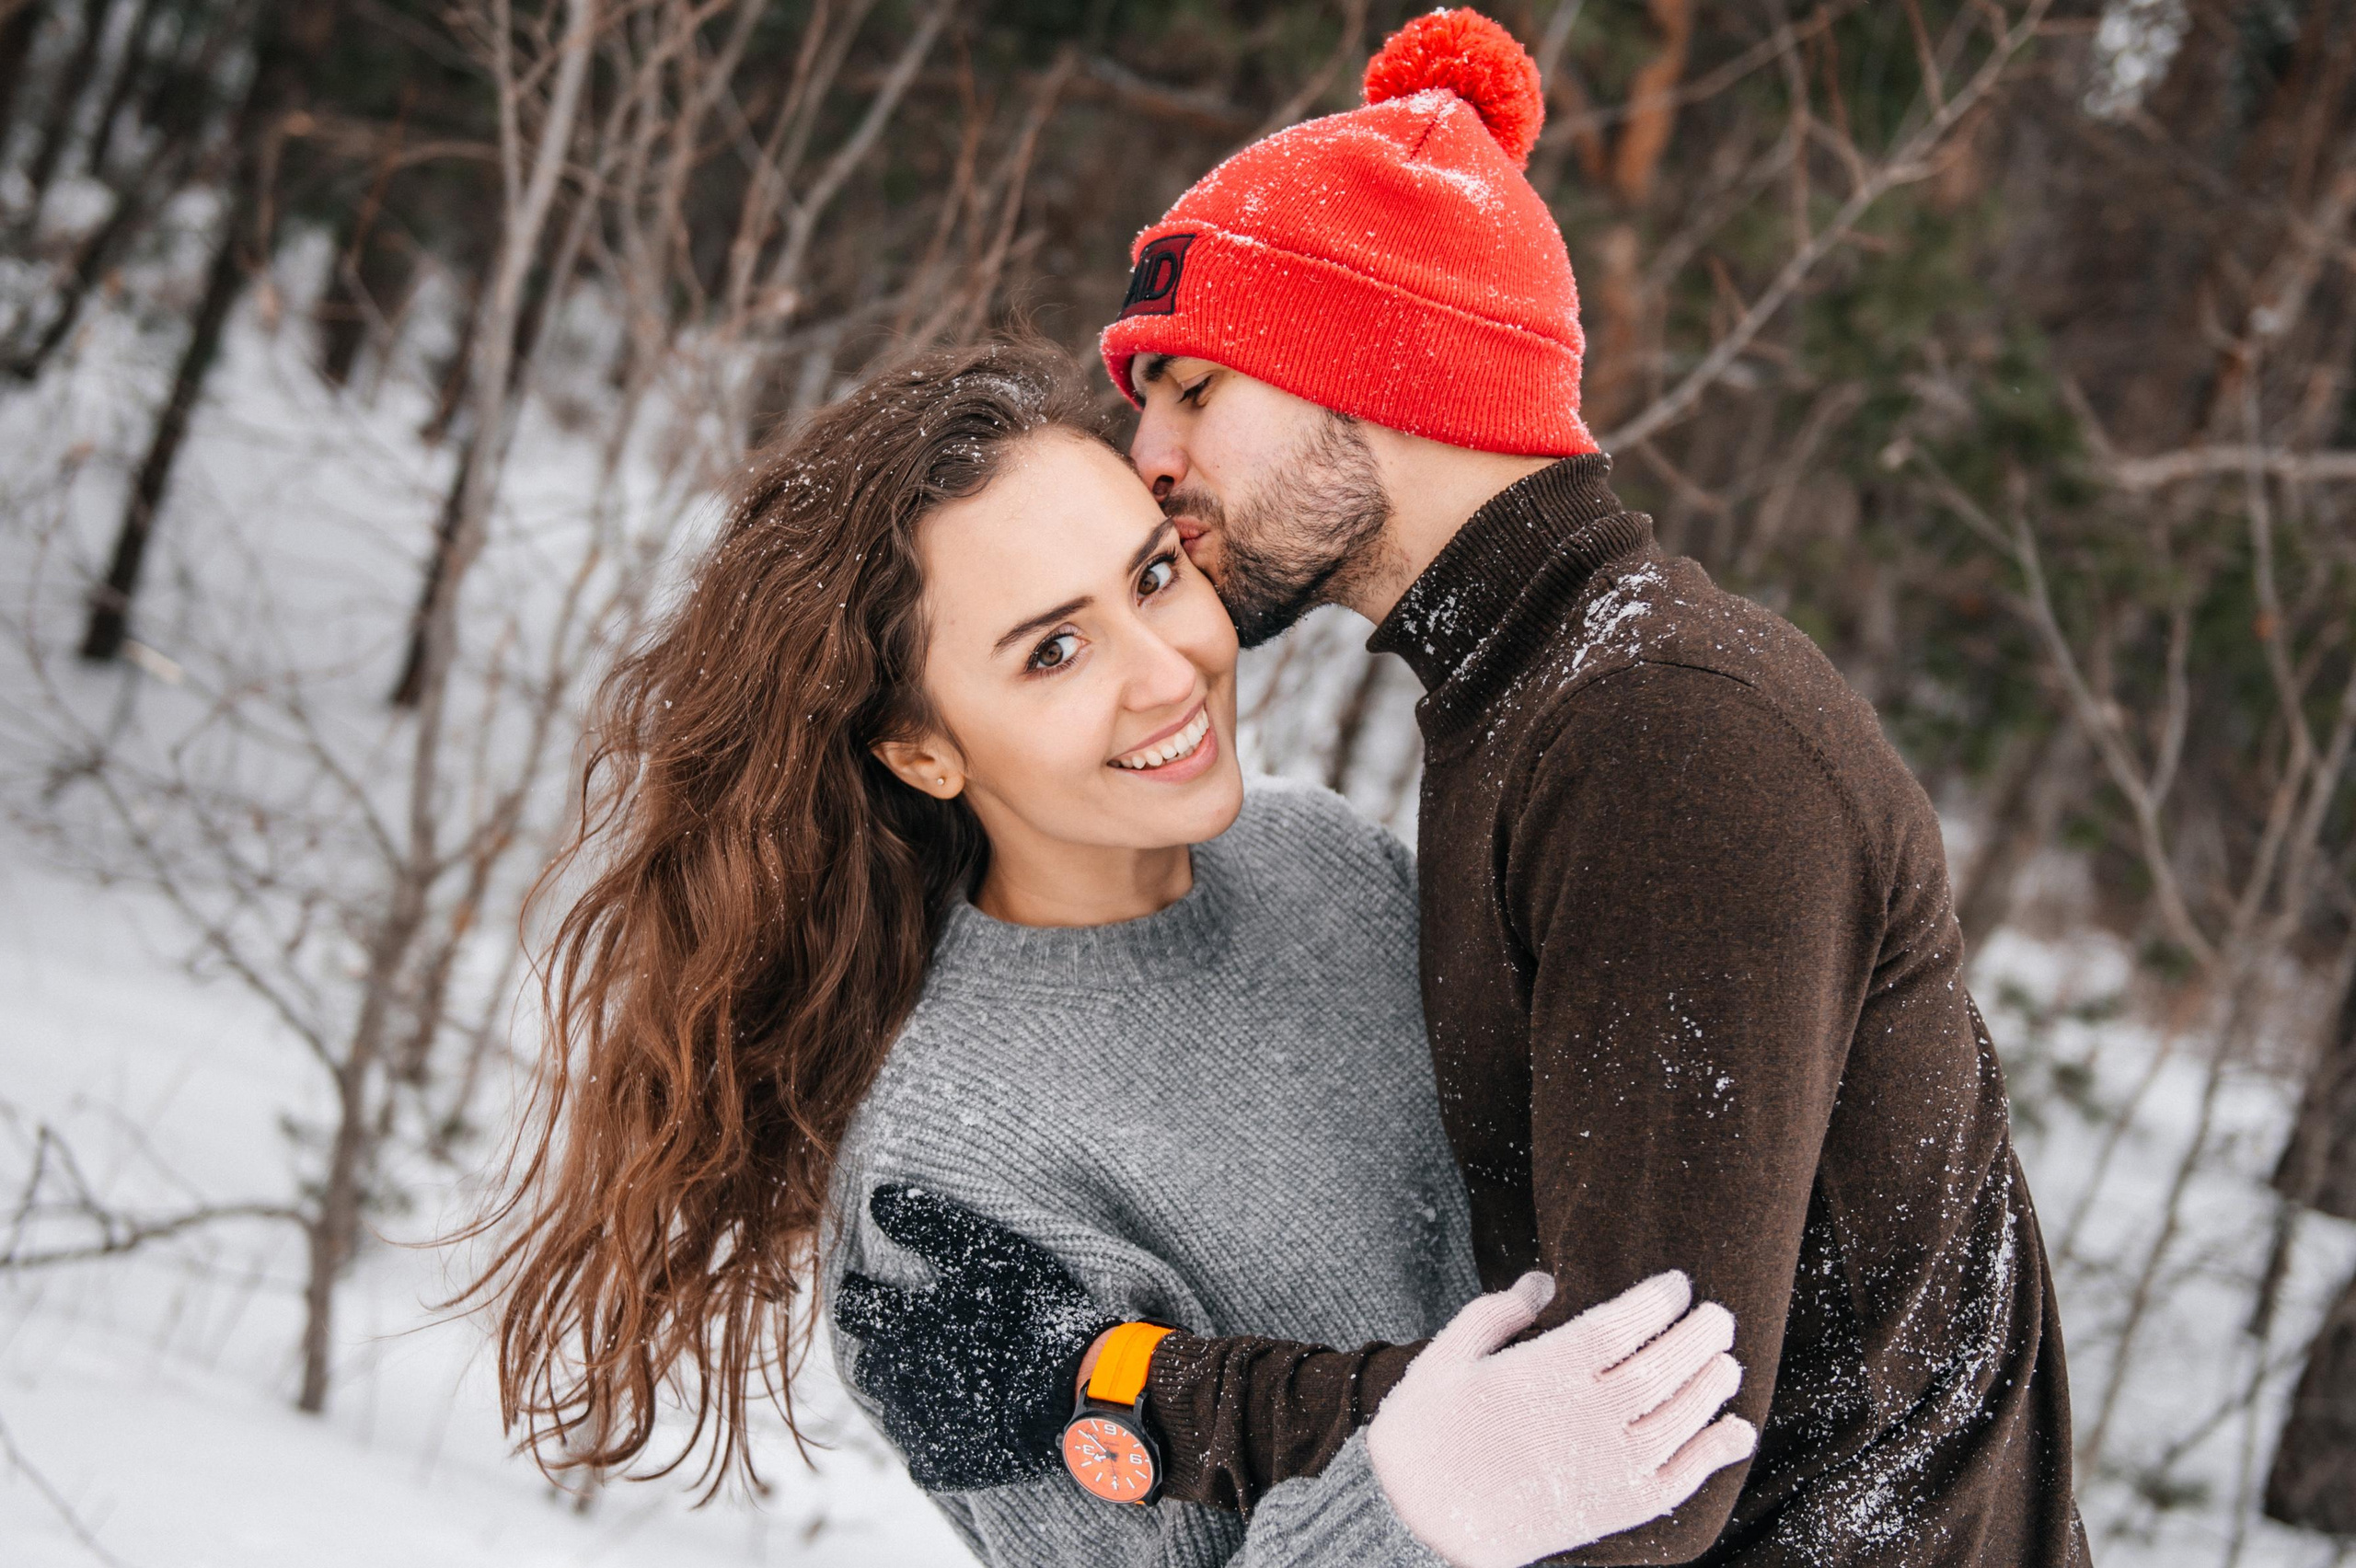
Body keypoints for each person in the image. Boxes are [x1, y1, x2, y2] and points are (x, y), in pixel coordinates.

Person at [836, 11, 2090, 1564]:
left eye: (1194, 388)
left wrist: (1140, 1394)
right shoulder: (1526, 713)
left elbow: (1629, 1448)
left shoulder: (1656, 741)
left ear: (1366, 362)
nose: (1146, 454)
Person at [473, 338, 1758, 1568]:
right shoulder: (945, 1192)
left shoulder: (1321, 861)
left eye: (1152, 577)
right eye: (1053, 651)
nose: (1166, 673)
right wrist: (1422, 1515)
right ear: (922, 749)